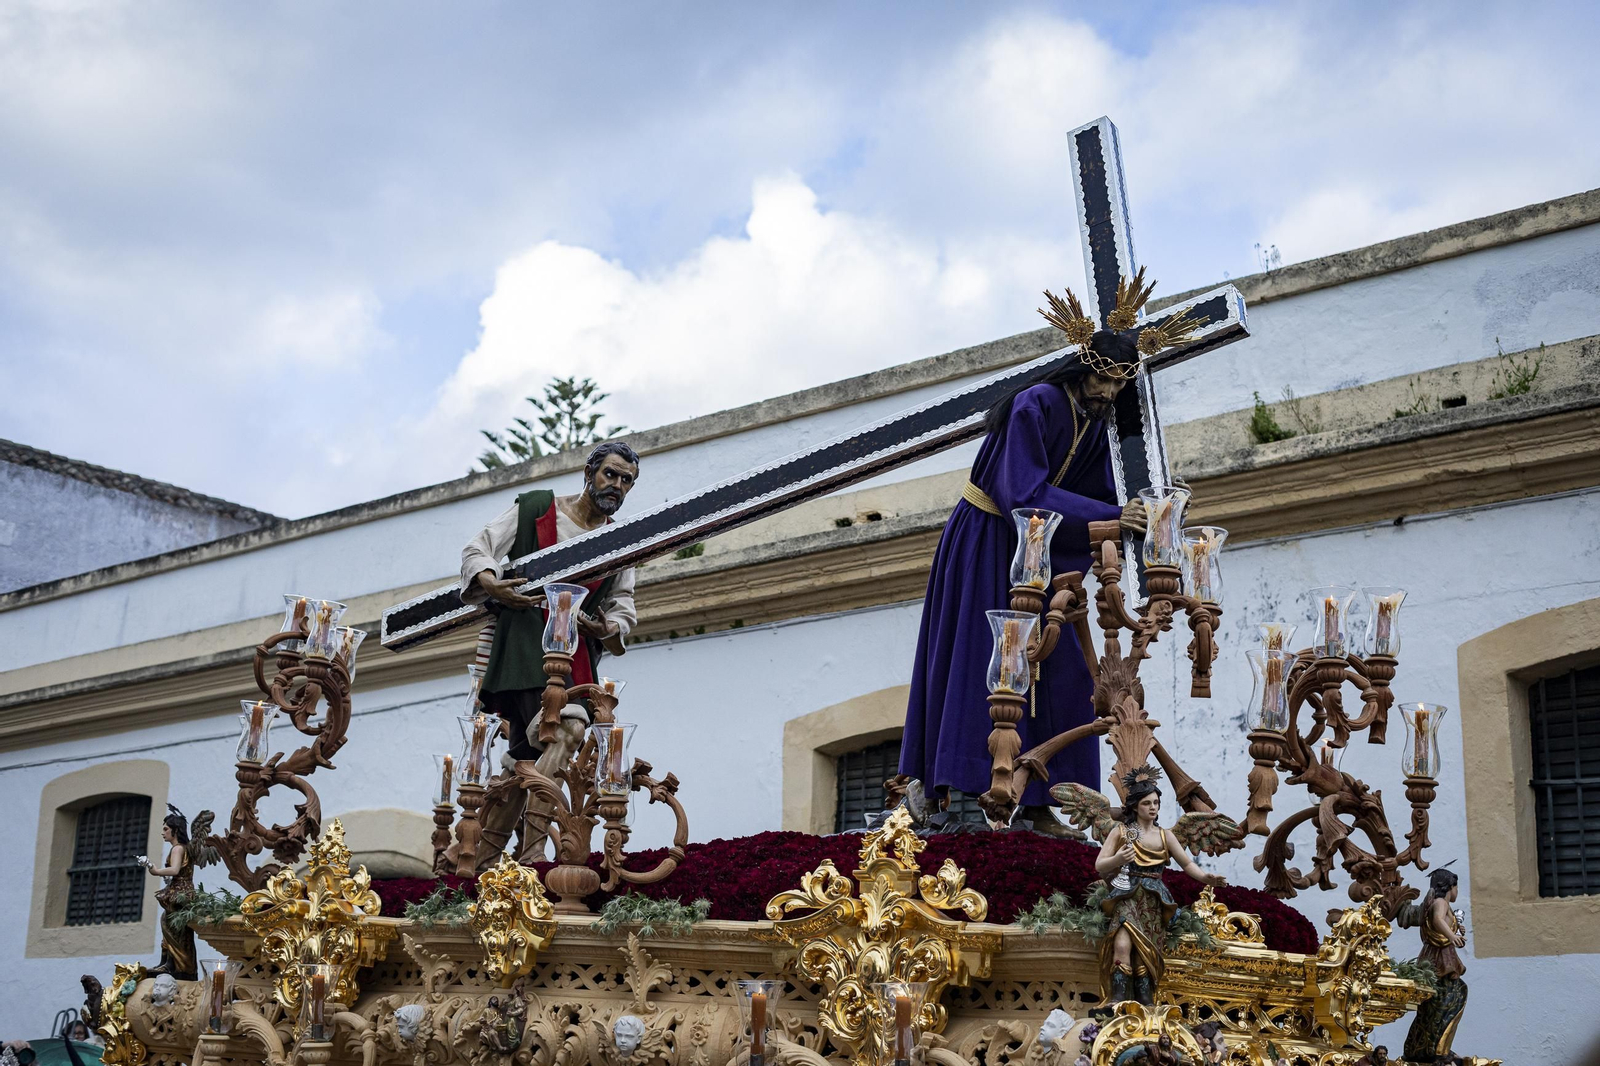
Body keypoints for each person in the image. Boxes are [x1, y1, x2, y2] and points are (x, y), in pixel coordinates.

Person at [900, 276, 1200, 832]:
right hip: (991, 541)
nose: (1108, 393)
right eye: (1101, 379)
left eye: (1119, 384)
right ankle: (948, 795)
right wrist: (1110, 520)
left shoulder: (1098, 424)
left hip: (1046, 552)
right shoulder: (1034, 404)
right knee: (982, 665)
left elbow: (1102, 493)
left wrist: (1148, 508)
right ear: (1081, 366)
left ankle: (1040, 803)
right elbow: (1023, 493)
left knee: (1060, 668)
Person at [459, 441, 641, 863]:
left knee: (528, 754)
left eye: (626, 480)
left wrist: (606, 627)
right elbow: (477, 549)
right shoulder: (537, 509)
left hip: (576, 655)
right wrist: (490, 581)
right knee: (565, 733)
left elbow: (624, 608)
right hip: (522, 646)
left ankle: (483, 861)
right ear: (589, 472)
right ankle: (533, 853)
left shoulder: (621, 541)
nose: (616, 484)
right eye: (610, 474)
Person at [1093, 766, 1225, 1006]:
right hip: (1127, 894)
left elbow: (1186, 863)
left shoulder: (1165, 835)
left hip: (1153, 898)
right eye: (1146, 803)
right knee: (1122, 944)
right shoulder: (1121, 832)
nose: (1153, 808)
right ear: (1134, 806)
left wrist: (1206, 878)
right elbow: (1100, 864)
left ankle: (1146, 1002)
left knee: (1146, 952)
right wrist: (1118, 860)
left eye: (1156, 803)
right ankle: (1117, 999)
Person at [1398, 868, 1469, 1061]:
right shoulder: (1439, 902)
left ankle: (1437, 1046)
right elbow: (1438, 920)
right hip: (1439, 958)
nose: (1457, 891)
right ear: (1450, 886)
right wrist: (1452, 935)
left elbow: (1443, 921)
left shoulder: (1444, 904)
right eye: (1456, 887)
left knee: (1447, 999)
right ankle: (1432, 1049)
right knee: (1442, 1001)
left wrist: (1456, 927)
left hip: (1443, 956)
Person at [139, 806, 197, 980]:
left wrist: (155, 870)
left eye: (166, 829)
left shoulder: (178, 848)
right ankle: (168, 962)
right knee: (170, 924)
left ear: (175, 830)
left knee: (172, 925)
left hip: (180, 893)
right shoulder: (183, 848)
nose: (162, 833)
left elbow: (175, 869)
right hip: (180, 889)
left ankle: (175, 964)